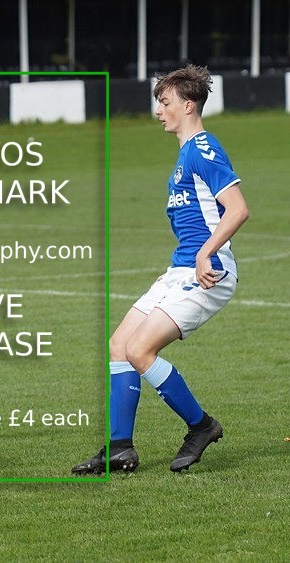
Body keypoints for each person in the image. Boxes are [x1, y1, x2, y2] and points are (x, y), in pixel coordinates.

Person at [72, 65, 249, 475]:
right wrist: (181, 264)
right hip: (182, 270)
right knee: (120, 345)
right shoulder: (185, 154)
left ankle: (201, 426)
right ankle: (119, 448)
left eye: (164, 102)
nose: (158, 111)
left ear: (188, 105)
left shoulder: (203, 149)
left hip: (209, 272)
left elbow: (238, 209)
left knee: (140, 350)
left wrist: (204, 254)